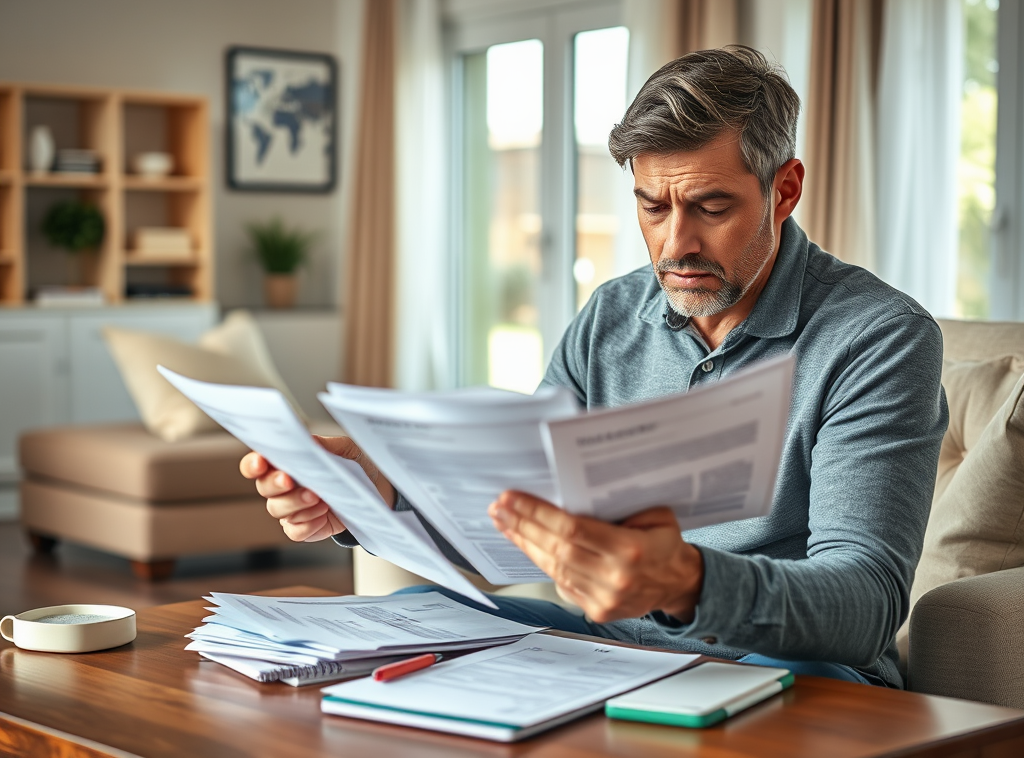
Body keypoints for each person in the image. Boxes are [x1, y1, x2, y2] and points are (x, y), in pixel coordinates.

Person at [241, 45, 947, 689]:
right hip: (613, 651)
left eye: (710, 207)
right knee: (414, 610)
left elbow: (865, 604)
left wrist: (688, 583)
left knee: (796, 673)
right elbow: (519, 511)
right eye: (651, 205)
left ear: (784, 190)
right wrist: (373, 489)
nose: (676, 243)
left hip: (782, 664)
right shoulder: (611, 317)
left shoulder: (878, 337)